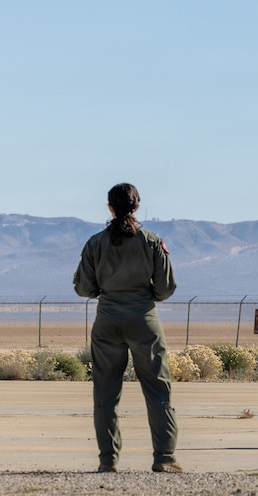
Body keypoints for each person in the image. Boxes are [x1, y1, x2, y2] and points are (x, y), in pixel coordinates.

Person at [73, 183, 182, 473]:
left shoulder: (95, 243)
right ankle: (164, 457)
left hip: (107, 321)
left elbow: (84, 287)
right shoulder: (151, 242)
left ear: (110, 207)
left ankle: (107, 460)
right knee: (158, 390)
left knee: (106, 394)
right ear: (136, 207)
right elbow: (166, 288)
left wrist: (107, 291)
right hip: (144, 321)